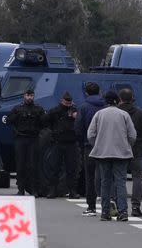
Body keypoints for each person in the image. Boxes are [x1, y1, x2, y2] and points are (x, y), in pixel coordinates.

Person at [88, 91, 136, 222]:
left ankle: (105, 212)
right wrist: (127, 145)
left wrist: (98, 144)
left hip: (103, 153)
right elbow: (132, 135)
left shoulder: (99, 114)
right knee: (120, 182)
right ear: (117, 101)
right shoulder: (124, 114)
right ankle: (123, 212)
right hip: (121, 154)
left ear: (105, 101)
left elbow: (90, 134)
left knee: (105, 182)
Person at [118, 88, 142, 217]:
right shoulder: (141, 113)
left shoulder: (116, 113)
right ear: (132, 98)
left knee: (119, 177)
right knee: (137, 177)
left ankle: (120, 205)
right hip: (138, 147)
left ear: (120, 99)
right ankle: (136, 206)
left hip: (119, 147)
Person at [6, 88, 45, 196]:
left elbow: (44, 122)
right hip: (21, 139)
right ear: (24, 96)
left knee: (33, 166)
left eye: (31, 95)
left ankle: (34, 190)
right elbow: (8, 121)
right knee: (20, 165)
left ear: (34, 96)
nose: (29, 97)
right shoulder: (17, 108)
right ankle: (21, 189)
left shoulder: (38, 109)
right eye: (27, 95)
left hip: (33, 139)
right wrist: (18, 115)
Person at [75, 82, 106, 216]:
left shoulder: (83, 107)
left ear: (86, 93)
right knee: (106, 176)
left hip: (89, 146)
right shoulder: (106, 106)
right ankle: (107, 206)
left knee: (90, 176)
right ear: (99, 92)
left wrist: (83, 142)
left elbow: (78, 128)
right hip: (106, 146)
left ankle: (91, 207)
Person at [44, 91, 79, 198]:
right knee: (54, 168)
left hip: (71, 143)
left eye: (69, 102)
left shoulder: (75, 111)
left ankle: (72, 191)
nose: (68, 104)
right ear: (62, 101)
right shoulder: (55, 111)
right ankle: (52, 190)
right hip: (58, 142)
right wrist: (53, 132)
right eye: (66, 102)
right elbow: (46, 121)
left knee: (71, 169)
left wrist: (74, 116)